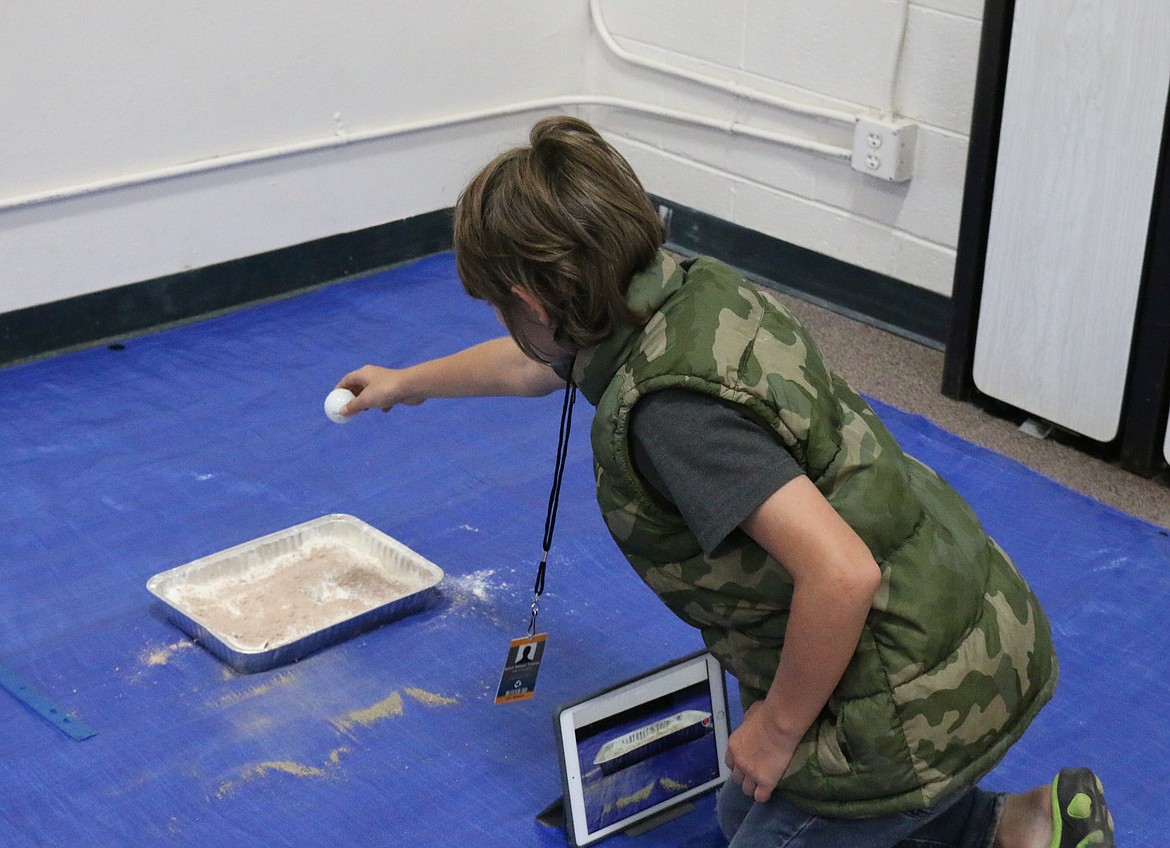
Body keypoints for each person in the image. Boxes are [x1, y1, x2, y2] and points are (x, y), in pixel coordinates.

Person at [334, 116, 1114, 848]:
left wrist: (778, 729)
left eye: (505, 308)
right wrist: (410, 382)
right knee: (740, 804)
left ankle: (963, 815)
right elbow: (537, 364)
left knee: (774, 791)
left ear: (534, 304)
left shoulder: (673, 415)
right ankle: (1022, 824)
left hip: (903, 692)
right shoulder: (679, 294)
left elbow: (842, 575)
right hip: (970, 613)